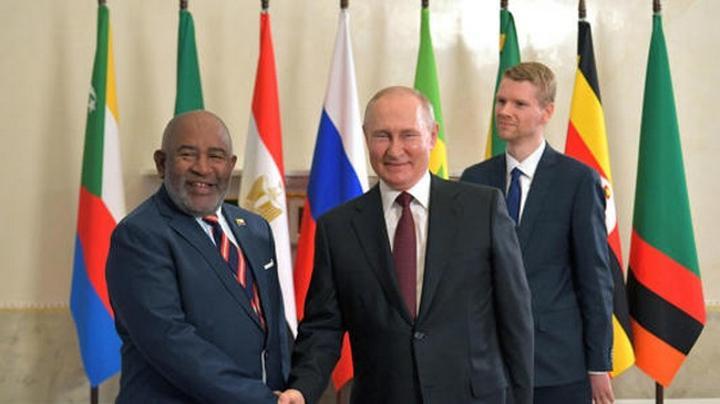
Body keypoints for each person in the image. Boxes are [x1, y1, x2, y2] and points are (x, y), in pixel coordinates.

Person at [278, 86, 533, 404]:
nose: (395, 150)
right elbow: (323, 327)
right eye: (382, 136)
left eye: (408, 135)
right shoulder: (338, 228)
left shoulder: (482, 209)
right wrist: (301, 389)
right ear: (365, 137)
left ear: (432, 136)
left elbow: (515, 318)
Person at [106, 110, 289, 403]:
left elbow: (274, 327)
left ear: (231, 165)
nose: (203, 168)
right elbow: (170, 342)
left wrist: (294, 389)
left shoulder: (255, 229)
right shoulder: (139, 236)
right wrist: (262, 400)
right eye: (188, 155)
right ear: (162, 163)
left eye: (216, 156)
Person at [461, 62, 615, 404]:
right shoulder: (474, 180)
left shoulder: (578, 181)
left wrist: (598, 364)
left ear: (547, 112)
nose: (504, 111)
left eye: (519, 104)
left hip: (557, 364)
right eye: (501, 101)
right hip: (487, 364)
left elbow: (595, 278)